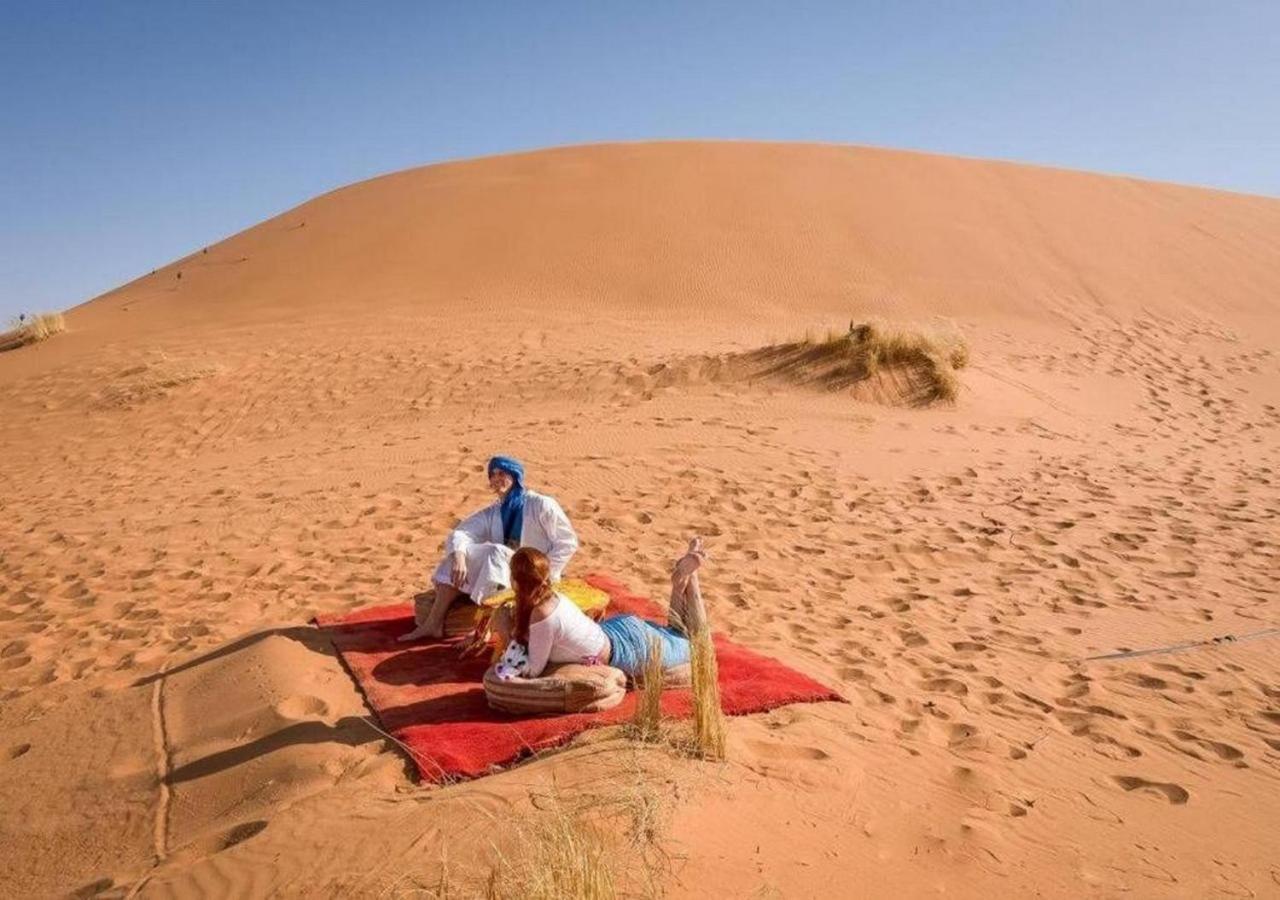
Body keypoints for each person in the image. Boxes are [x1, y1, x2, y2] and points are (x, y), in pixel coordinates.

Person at [399, 456, 578, 642]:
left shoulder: (541, 504)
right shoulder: (493, 512)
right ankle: (433, 623)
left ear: (515, 476)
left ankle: (483, 627)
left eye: (502, 473)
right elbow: (461, 533)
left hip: (537, 575)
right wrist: (460, 558)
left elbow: (567, 542)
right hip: (506, 573)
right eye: (492, 475)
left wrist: (544, 573)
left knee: (495, 552)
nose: (496, 479)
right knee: (459, 553)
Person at [496, 541, 707, 680]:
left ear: (515, 581)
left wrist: (506, 633)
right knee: (674, 632)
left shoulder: (541, 615)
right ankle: (679, 583)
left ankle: (690, 579)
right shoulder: (551, 596)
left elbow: (533, 670)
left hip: (627, 649)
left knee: (697, 646)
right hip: (618, 630)